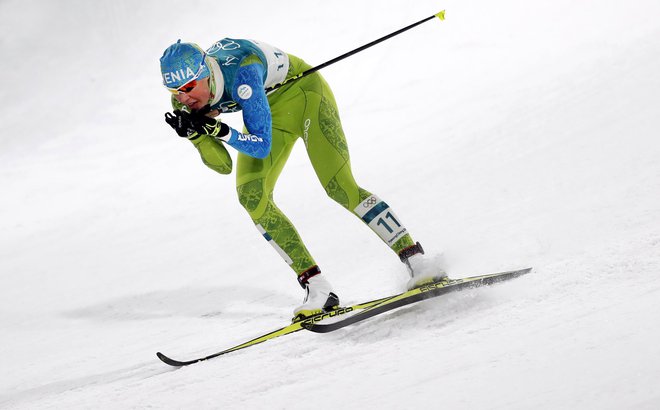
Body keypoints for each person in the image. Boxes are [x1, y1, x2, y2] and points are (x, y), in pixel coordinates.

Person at [160, 38, 446, 320]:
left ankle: (418, 261)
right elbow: (222, 165)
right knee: (252, 197)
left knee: (339, 186)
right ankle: (318, 289)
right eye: (175, 91)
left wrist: (220, 131)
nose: (183, 98)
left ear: (207, 73)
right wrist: (196, 135)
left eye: (188, 88)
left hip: (306, 95)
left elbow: (260, 145)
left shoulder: (243, 72)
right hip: (267, 111)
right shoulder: (184, 97)